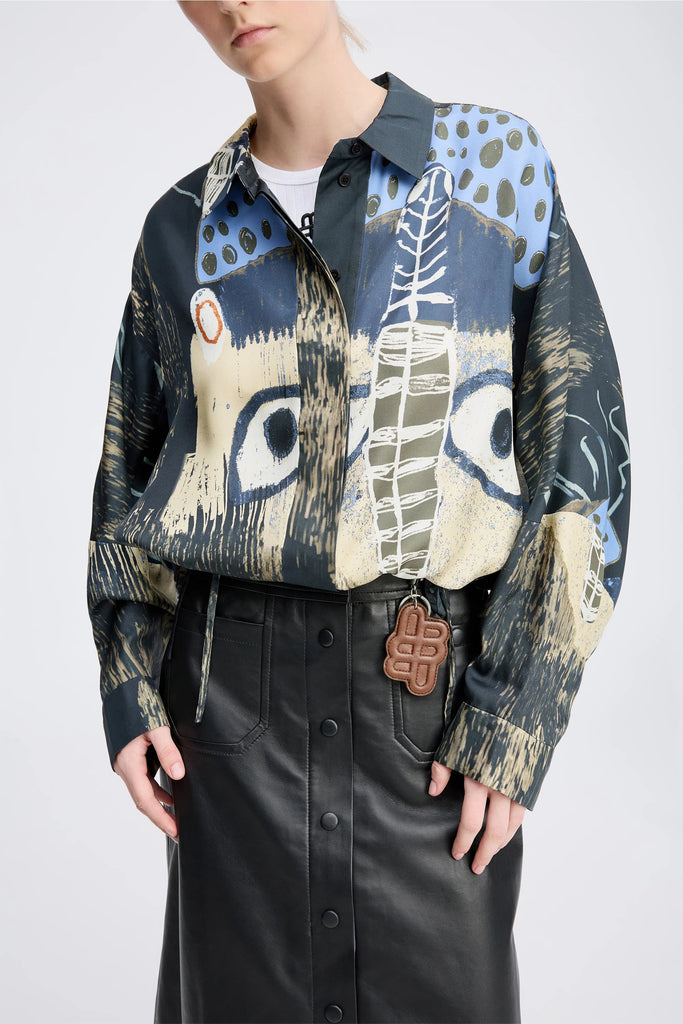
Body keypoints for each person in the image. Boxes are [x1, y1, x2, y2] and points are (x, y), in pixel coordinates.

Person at [86, 2, 631, 1022]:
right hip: (228, 721)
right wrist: (127, 685)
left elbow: (580, 460)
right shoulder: (181, 228)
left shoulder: (492, 171)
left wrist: (516, 714)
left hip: (429, 713)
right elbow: (132, 476)